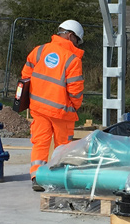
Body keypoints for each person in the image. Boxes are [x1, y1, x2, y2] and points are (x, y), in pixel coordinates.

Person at [22, 20, 85, 191]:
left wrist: (32, 98)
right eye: (77, 40)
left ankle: (37, 177)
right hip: (61, 111)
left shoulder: (40, 50)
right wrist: (74, 106)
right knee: (63, 147)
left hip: (38, 108)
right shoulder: (72, 59)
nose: (77, 44)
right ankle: (57, 179)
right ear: (71, 36)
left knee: (40, 143)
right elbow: (76, 90)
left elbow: (26, 76)